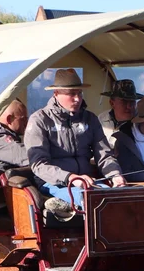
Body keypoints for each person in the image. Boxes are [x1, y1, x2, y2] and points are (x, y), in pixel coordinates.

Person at [25, 68, 124, 219]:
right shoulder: (40, 120)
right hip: (53, 183)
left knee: (117, 196)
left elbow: (104, 154)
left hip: (87, 182)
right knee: (92, 200)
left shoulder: (90, 119)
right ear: (56, 94)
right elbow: (38, 164)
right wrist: (70, 177)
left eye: (79, 93)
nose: (77, 99)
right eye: (71, 94)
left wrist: (115, 175)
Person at [0, 98, 28, 169]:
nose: (26, 123)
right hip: (6, 178)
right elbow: (27, 156)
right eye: (23, 119)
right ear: (9, 119)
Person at [98, 78, 141, 144]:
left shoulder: (142, 123)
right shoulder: (101, 120)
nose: (129, 106)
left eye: (132, 101)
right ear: (112, 103)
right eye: (124, 101)